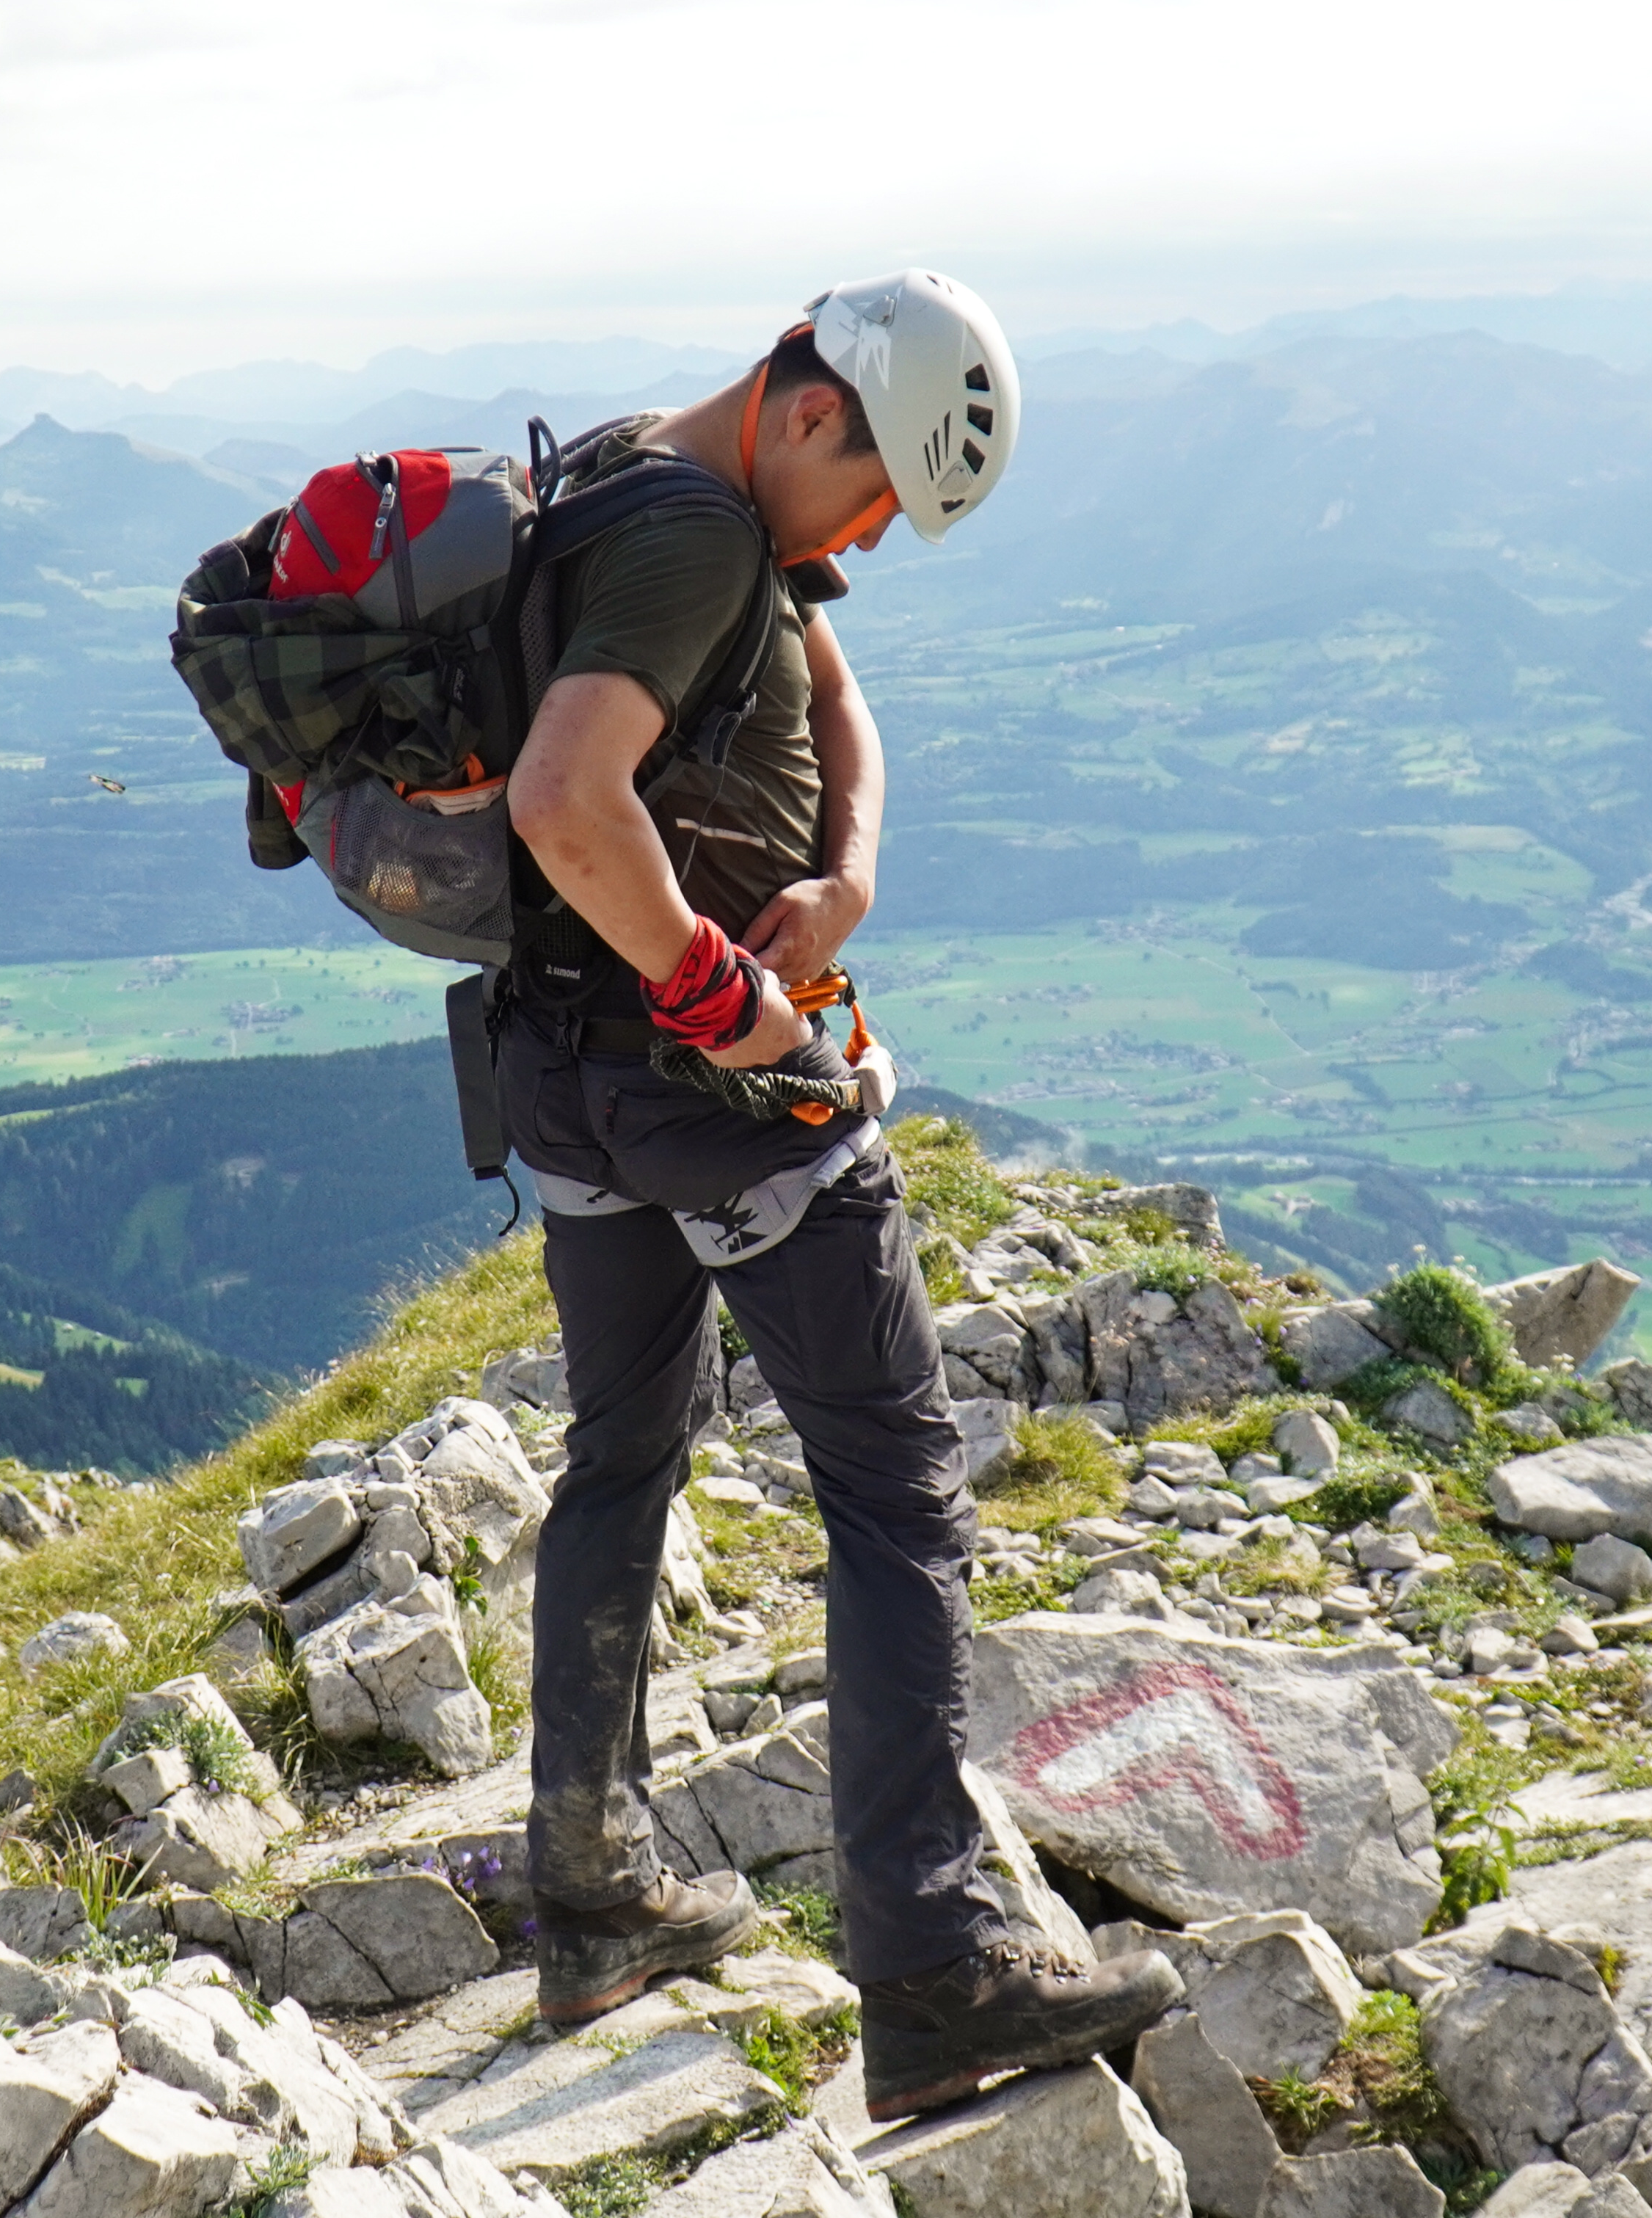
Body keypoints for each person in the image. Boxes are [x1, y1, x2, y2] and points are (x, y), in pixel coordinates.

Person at [491, 269, 1182, 2123]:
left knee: (621, 1459)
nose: (865, 542)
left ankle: (593, 1898)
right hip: (708, 1084)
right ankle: (938, 1967)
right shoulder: (702, 537)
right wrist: (728, 994)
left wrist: (848, 871)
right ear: (812, 408)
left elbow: (830, 694)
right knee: (896, 1486)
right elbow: (564, 797)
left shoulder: (626, 477)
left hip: (558, 1071)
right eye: (872, 496)